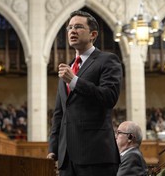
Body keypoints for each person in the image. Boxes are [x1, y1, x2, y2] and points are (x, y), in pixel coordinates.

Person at [47, 10, 123, 176]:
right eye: (70, 27)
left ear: (93, 34)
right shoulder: (68, 68)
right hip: (66, 159)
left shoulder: (107, 60)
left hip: (96, 156)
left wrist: (74, 81)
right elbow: (59, 114)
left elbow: (109, 97)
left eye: (79, 27)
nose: (72, 31)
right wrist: (53, 148)